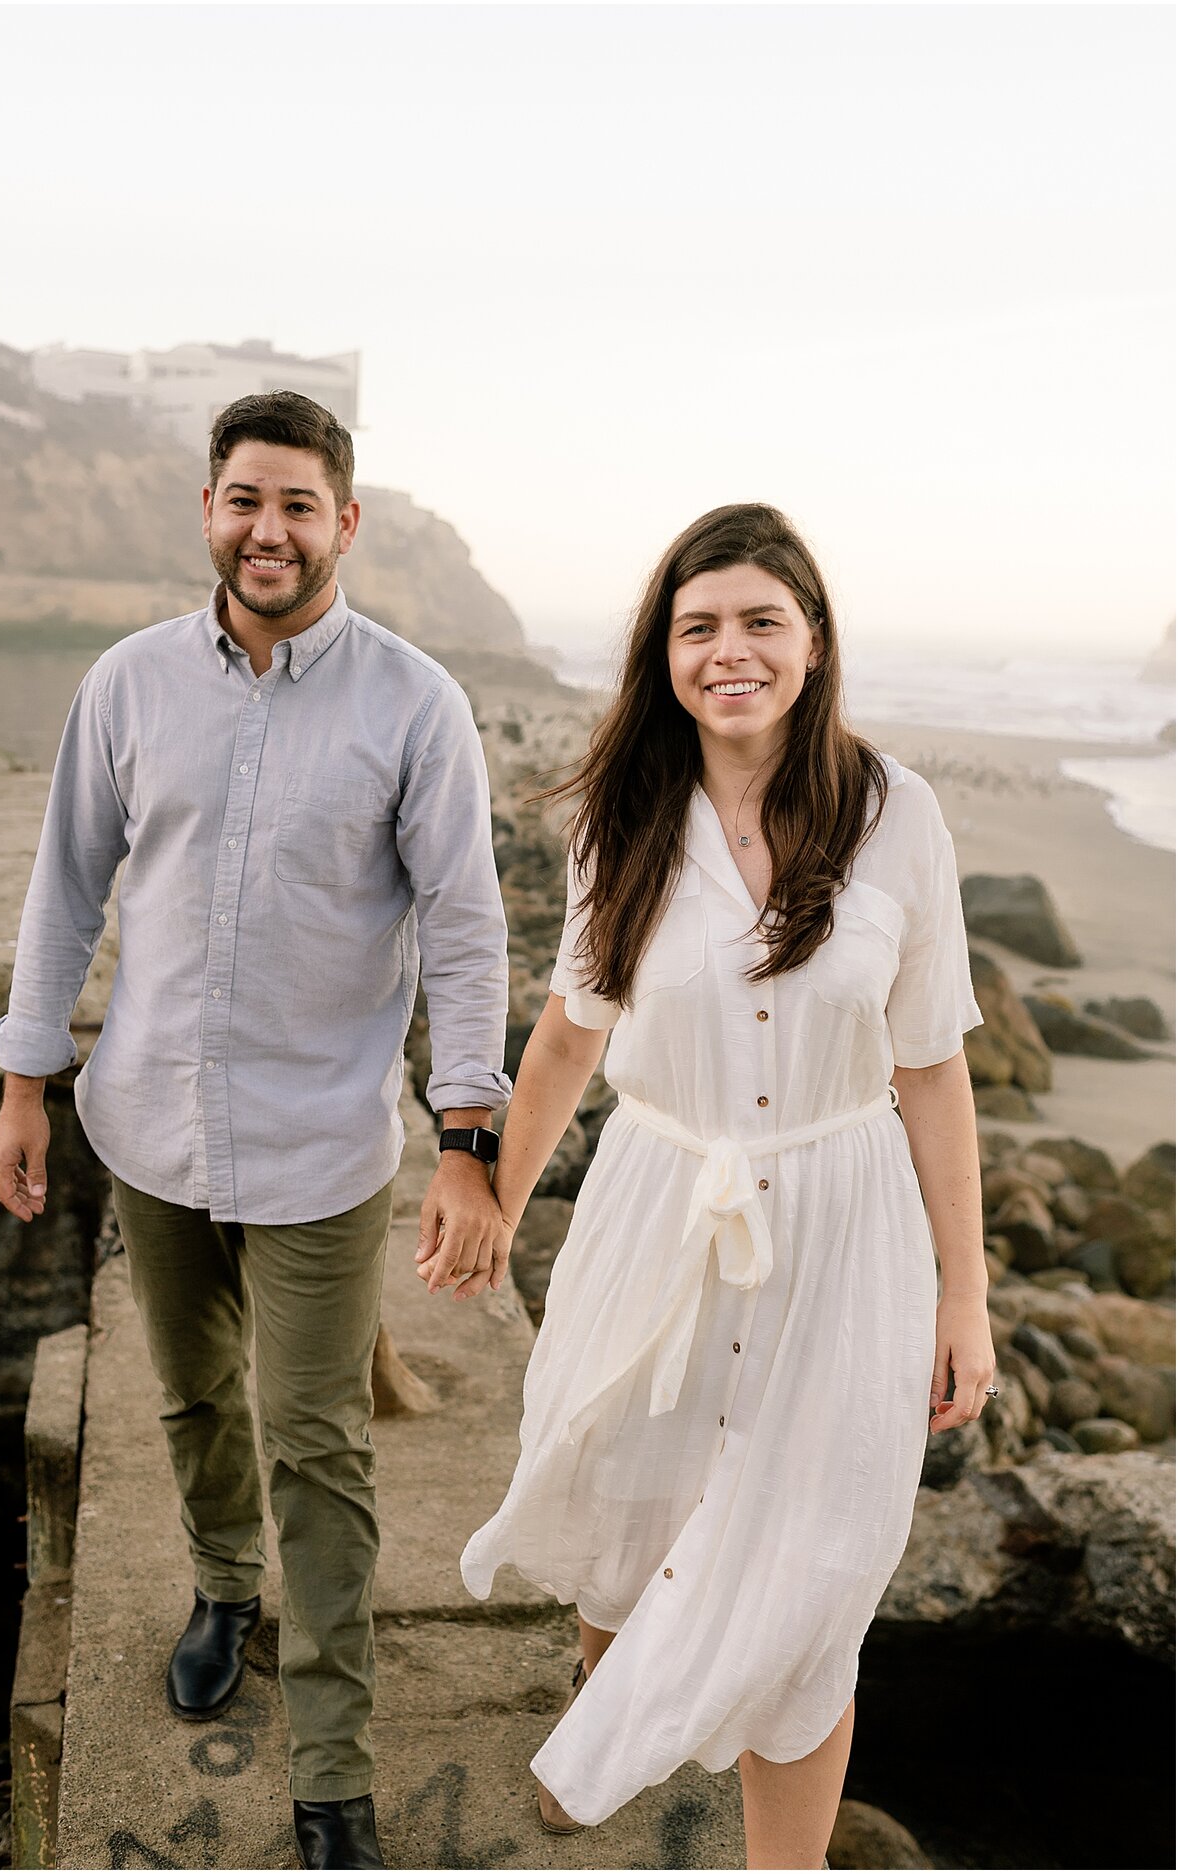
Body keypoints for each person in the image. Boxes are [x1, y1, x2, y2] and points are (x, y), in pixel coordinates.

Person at [0, 392, 512, 1871]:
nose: (266, 529)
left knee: (321, 1444)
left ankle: (333, 1767)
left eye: (297, 504)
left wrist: (468, 1131)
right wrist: (25, 1083)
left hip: (321, 1144)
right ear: (207, 511)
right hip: (147, 1122)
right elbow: (64, 890)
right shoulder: (131, 684)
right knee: (190, 1397)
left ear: (347, 521)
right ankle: (221, 1587)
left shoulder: (416, 705)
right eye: (241, 500)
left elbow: (467, 932)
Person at [454, 504, 994, 1868]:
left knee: (814, 1583)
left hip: (843, 1223)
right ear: (665, 653)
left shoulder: (896, 816)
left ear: (812, 642)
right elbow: (574, 1029)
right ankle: (610, 1701)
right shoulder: (621, 817)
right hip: (659, 1202)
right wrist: (497, 1200)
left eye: (761, 620)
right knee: (624, 1497)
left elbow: (932, 1066)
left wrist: (965, 1298)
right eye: (700, 627)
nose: (730, 650)